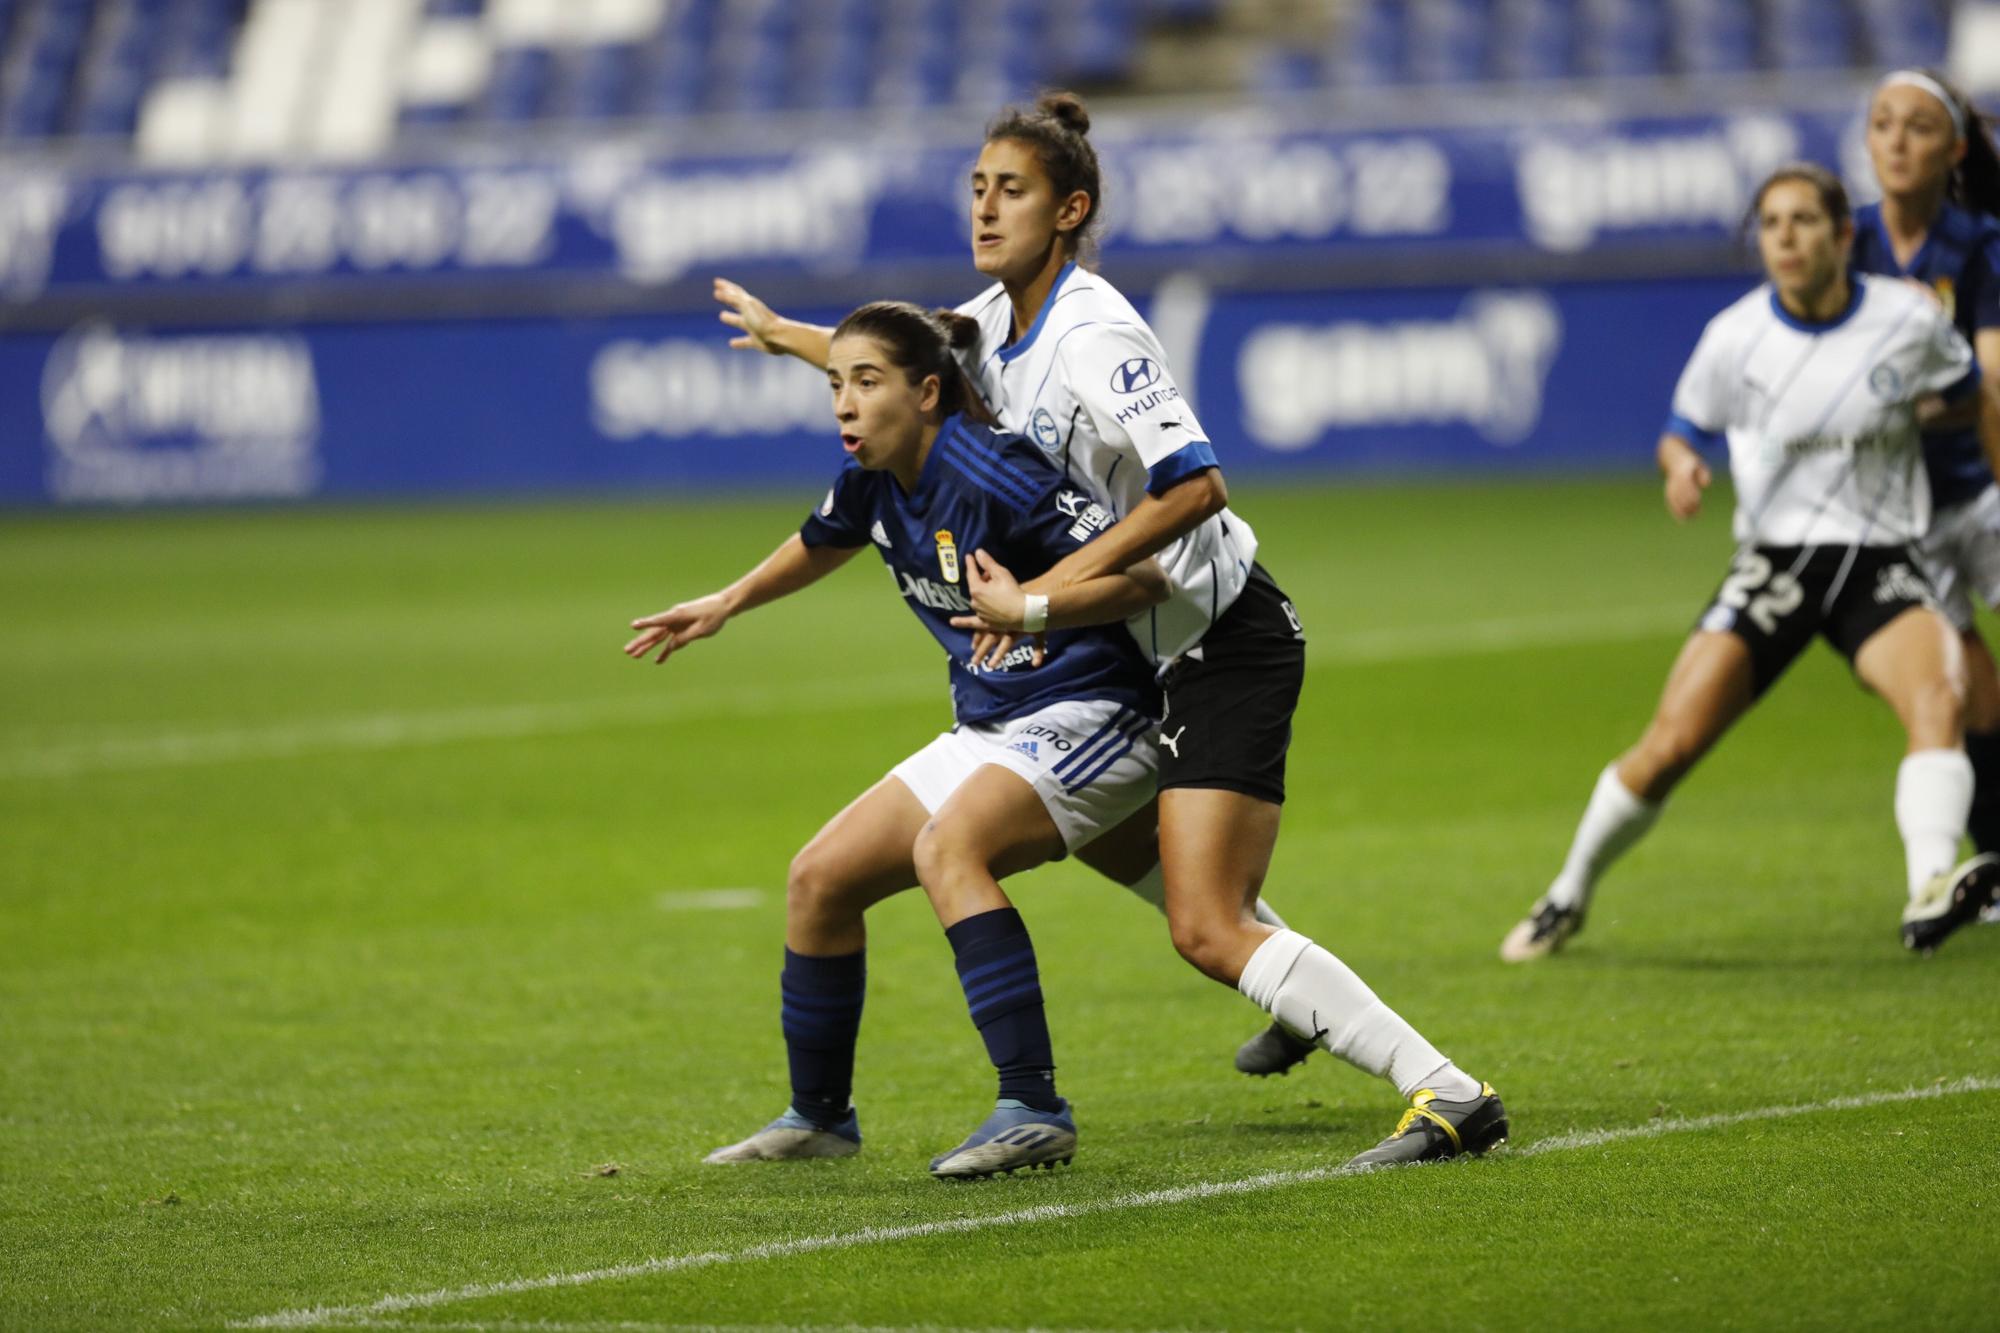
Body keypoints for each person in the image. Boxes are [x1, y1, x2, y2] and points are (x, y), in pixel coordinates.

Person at [717, 92, 1506, 1171]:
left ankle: (1451, 1096)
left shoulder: (1095, 333)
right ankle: (1292, 992)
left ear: (1069, 207)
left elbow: (1196, 487)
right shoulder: (993, 323)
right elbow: (905, 373)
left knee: (1203, 921)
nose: (986, 209)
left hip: (1216, 638)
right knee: (1208, 914)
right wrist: (790, 340)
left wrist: (1038, 596)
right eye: (978, 188)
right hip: (1129, 648)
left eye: (1013, 191)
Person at [629, 300, 1174, 1178]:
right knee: (819, 877)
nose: (843, 402)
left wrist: (1032, 603)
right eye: (836, 383)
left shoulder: (997, 471)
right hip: (996, 722)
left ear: (929, 393)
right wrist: (725, 602)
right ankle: (819, 1116)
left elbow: (1143, 572)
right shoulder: (873, 476)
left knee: (949, 848)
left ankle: (1033, 1105)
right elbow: (822, 539)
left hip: (1093, 710)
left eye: (866, 382)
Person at [1500, 163, 1999, 963]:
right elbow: (1683, 428)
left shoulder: (1907, 320)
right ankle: (1568, 892)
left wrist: (1935, 430)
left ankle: (1930, 887)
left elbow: (1968, 388)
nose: (1786, 238)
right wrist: (1680, 467)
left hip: (1879, 561)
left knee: (1939, 696)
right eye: (1771, 224)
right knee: (1670, 744)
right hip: (1777, 565)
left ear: (1843, 236)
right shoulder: (1736, 338)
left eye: (1804, 221)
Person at [1852, 70, 2000, 907]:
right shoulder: (1847, 240)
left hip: (1981, 491)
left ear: (1953, 149)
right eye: (1881, 124)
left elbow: (1991, 382)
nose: (1897, 140)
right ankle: (1991, 864)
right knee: (1967, 686)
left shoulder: (1977, 244)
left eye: (1916, 126)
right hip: (1901, 513)